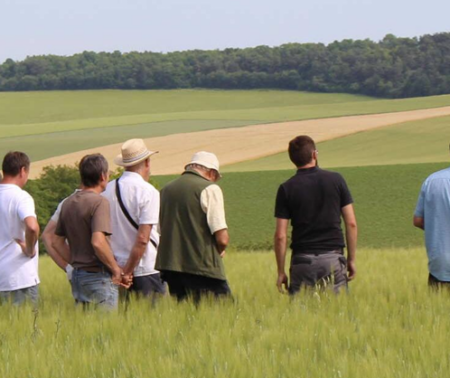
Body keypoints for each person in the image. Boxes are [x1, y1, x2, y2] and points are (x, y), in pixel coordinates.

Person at [274, 135, 357, 295]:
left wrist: (281, 271)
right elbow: (351, 223)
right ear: (314, 155)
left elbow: (280, 235)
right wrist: (351, 260)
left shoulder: (286, 188)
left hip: (302, 262)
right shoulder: (337, 180)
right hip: (333, 259)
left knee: (301, 316)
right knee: (337, 313)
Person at [52, 154, 128, 309]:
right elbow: (98, 242)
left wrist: (76, 262)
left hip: (77, 276)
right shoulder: (99, 202)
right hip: (98, 277)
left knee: (84, 327)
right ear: (102, 176)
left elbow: (56, 242)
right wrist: (115, 270)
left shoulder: (68, 202)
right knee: (104, 329)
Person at [155, 151, 231, 302]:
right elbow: (222, 239)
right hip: (203, 268)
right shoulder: (210, 189)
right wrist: (219, 251)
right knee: (225, 312)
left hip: (171, 268)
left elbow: (159, 230)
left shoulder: (165, 191)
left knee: (187, 316)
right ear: (211, 172)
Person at [102, 139, 166, 299]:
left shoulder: (107, 190)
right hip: (146, 269)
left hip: (114, 269)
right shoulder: (148, 192)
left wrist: (119, 271)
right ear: (147, 162)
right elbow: (143, 238)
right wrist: (128, 272)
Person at [0, 151, 40, 305]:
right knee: (27, 326)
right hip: (19, 278)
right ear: (23, 170)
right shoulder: (21, 197)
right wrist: (29, 249)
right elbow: (31, 227)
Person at [414, 152, 450, 288]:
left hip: (440, 266)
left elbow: (418, 220)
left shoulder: (432, 181)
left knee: (436, 308)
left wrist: (437, 226)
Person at [41, 189, 81, 281]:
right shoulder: (102, 199)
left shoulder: (68, 202)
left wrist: (69, 267)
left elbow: (47, 235)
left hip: (77, 273)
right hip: (102, 273)